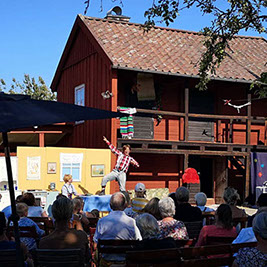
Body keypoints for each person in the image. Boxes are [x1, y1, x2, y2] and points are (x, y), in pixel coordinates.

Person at [39, 197, 90, 265]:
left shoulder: (43, 242)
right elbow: (87, 259)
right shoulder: (81, 237)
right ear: (70, 215)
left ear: (53, 214)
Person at [93, 192, 142, 263]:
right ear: (125, 205)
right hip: (125, 261)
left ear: (110, 205)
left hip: (106, 261)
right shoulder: (131, 222)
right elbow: (139, 240)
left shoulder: (102, 221)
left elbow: (95, 244)